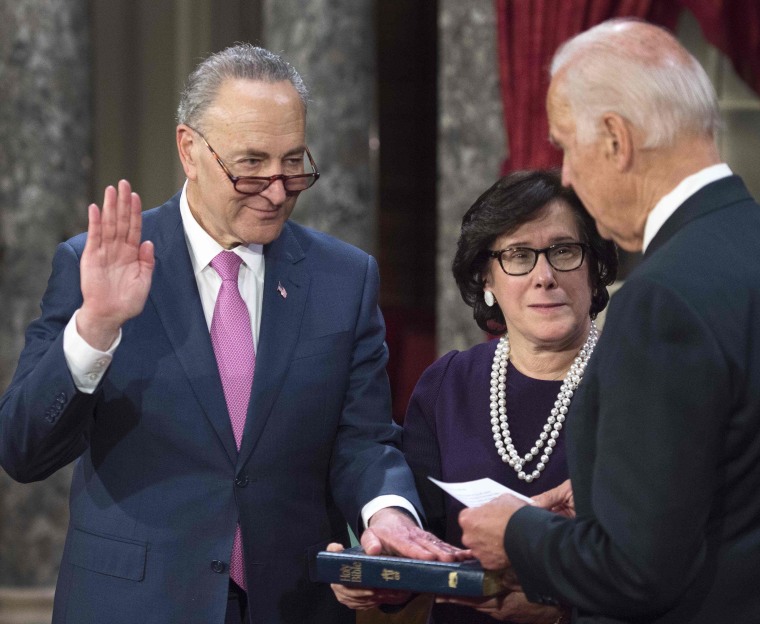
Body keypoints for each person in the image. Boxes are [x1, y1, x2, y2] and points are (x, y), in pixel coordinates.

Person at [0, 44, 462, 624]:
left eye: (294, 163)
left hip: (292, 603)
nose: (276, 190)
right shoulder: (95, 265)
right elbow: (23, 450)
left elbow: (362, 440)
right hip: (134, 604)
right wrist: (94, 329)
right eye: (251, 165)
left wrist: (387, 512)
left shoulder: (345, 278)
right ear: (189, 149)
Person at [459, 18, 760, 624]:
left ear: (616, 141)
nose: (565, 174)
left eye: (567, 146)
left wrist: (519, 534)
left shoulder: (660, 300)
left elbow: (635, 570)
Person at [329, 170, 618, 623]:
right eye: (519, 255)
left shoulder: (638, 383)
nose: (544, 276)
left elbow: (669, 558)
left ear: (594, 266)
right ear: (486, 278)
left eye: (563, 251)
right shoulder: (448, 384)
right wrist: (378, 576)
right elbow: (422, 546)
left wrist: (563, 611)